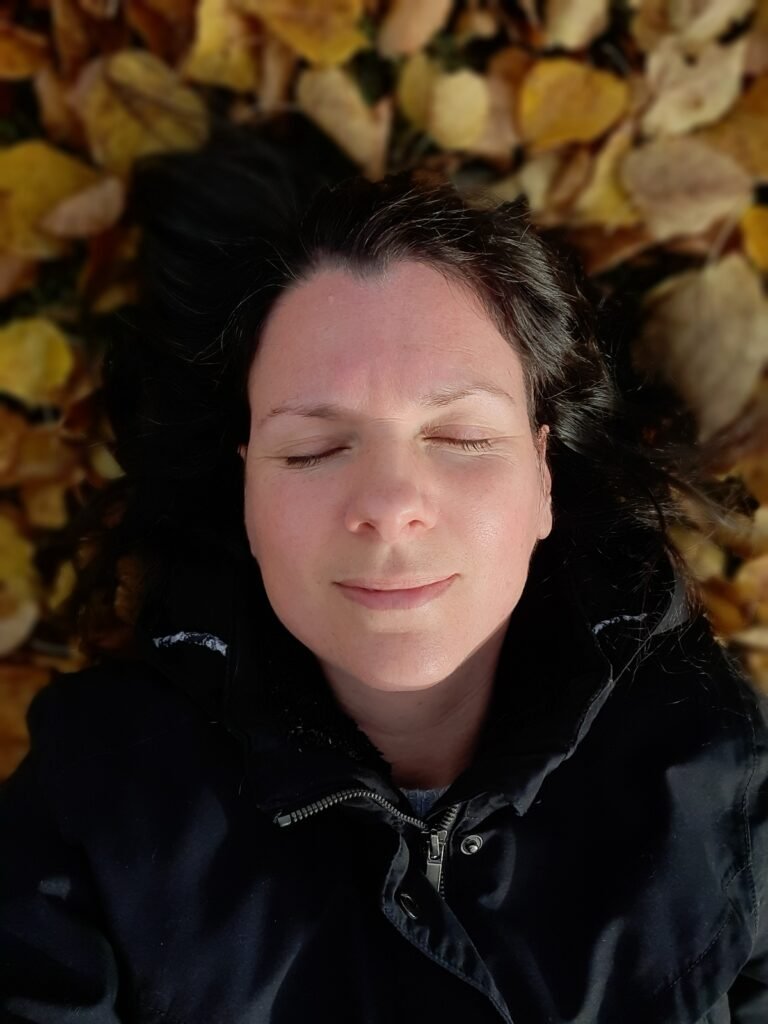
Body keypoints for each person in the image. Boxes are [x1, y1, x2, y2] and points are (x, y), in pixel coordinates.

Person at [1, 123, 766, 1024]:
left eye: (461, 437)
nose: (392, 503)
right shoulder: (93, 805)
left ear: (543, 478)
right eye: (315, 449)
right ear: (246, 492)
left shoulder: (720, 769)